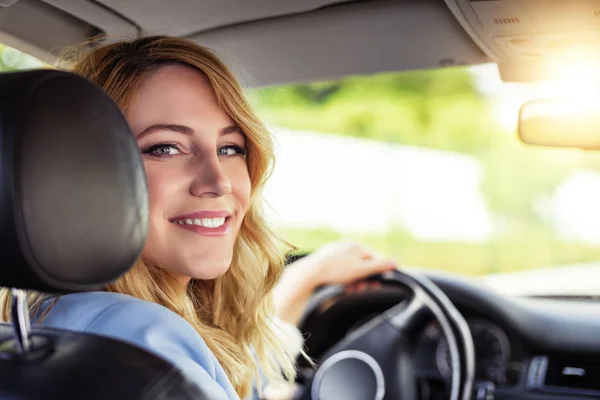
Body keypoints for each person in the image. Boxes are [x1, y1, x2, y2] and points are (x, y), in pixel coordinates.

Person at [0, 36, 396, 399]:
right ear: (87, 172)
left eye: (229, 148)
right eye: (166, 148)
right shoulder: (137, 335)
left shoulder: (51, 328)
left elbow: (238, 382)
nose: (219, 182)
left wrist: (306, 279)